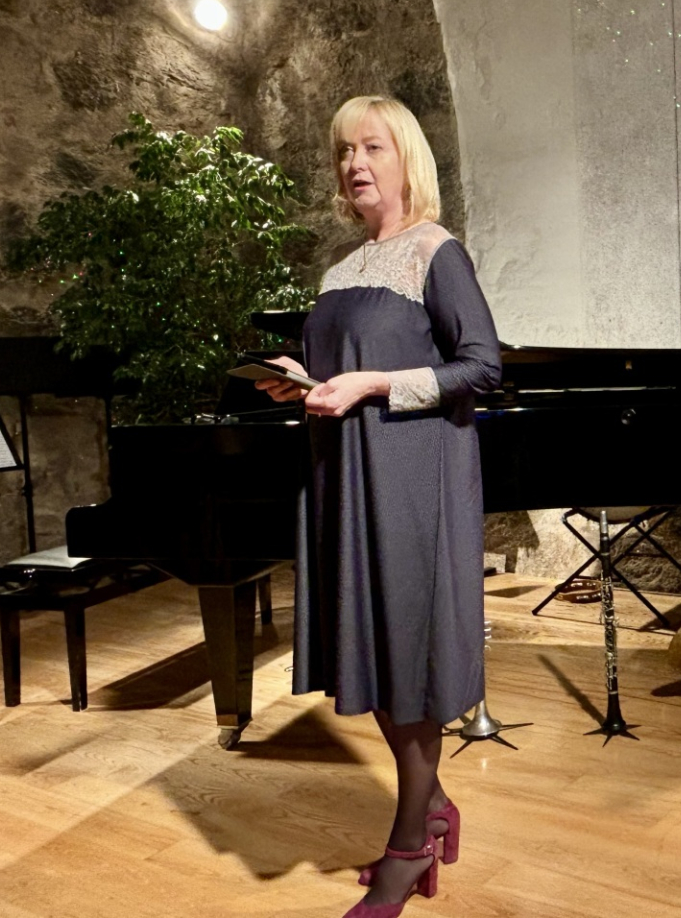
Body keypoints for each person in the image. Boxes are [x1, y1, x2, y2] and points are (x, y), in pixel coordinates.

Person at [258, 95, 501, 917]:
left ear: (406, 160)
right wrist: (300, 380)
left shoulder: (436, 251)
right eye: (343, 151)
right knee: (372, 654)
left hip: (409, 486)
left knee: (409, 664)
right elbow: (343, 371)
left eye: (372, 148)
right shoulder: (339, 271)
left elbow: (482, 367)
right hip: (344, 480)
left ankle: (408, 847)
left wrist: (371, 384)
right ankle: (434, 807)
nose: (354, 164)